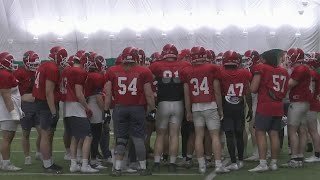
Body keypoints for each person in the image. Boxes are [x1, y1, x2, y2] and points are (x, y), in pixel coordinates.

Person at [104, 47, 156, 176]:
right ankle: (143, 168)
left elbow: (108, 93)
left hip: (120, 107)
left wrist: (106, 110)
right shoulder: (144, 71)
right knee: (138, 138)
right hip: (137, 108)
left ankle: (117, 168)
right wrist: (153, 109)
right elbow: (149, 94)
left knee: (120, 139)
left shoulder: (112, 70)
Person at [181, 46, 229, 174]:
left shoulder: (186, 71)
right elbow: (217, 91)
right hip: (211, 105)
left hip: (196, 107)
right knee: (214, 136)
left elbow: (186, 94)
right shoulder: (212, 68)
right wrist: (220, 108)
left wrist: (188, 111)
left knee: (199, 135)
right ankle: (218, 165)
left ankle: (202, 165)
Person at [150, 44, 191, 172]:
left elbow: (149, 80)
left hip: (163, 104)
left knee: (161, 135)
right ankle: (172, 163)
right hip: (178, 103)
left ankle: (157, 162)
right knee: (174, 135)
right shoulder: (184, 65)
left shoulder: (156, 65)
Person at [249, 49, 289, 172]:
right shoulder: (284, 71)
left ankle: (262, 163)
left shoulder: (262, 68)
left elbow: (253, 88)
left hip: (265, 105)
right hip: (278, 106)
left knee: (260, 133)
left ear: (266, 59)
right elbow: (285, 91)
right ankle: (274, 163)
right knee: (274, 134)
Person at [60, 51, 98, 173]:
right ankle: (85, 165)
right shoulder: (79, 72)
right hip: (76, 106)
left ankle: (73, 164)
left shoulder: (66, 70)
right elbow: (79, 94)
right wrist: (87, 107)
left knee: (75, 137)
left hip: (66, 106)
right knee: (88, 136)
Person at [32, 46, 67, 173]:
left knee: (47, 134)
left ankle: (48, 161)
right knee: (46, 134)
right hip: (46, 104)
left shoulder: (44, 65)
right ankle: (47, 165)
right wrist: (53, 111)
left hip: (42, 102)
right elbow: (48, 92)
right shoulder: (52, 68)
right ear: (59, 56)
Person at [219, 50, 252, 171]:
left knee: (229, 135)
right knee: (239, 133)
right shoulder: (244, 73)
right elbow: (247, 92)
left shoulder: (220, 73)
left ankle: (233, 161)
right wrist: (250, 107)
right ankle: (241, 160)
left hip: (226, 105)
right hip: (239, 105)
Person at [281, 48, 312, 168]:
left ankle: (294, 158)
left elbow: (290, 84)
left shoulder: (299, 69)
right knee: (303, 130)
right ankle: (300, 156)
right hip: (304, 102)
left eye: (290, 56)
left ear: (295, 56)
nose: (288, 58)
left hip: (297, 102)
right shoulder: (305, 68)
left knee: (292, 131)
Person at [14, 51, 42, 165]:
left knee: (43, 132)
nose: (36, 66)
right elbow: (14, 91)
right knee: (26, 132)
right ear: (26, 62)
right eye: (34, 64)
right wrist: (21, 98)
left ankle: (39, 151)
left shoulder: (39, 72)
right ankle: (27, 157)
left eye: (37, 64)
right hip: (25, 106)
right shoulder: (19, 72)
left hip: (38, 105)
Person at [84, 52, 107, 169]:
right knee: (95, 135)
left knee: (90, 135)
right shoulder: (97, 77)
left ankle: (88, 159)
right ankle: (92, 161)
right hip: (94, 105)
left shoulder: (88, 74)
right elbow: (98, 97)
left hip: (87, 104)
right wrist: (105, 110)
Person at [0, 52, 22, 171]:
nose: (13, 64)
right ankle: (6, 164)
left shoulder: (6, 73)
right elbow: (6, 96)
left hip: (7, 110)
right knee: (7, 138)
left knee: (8, 137)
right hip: (6, 111)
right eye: (11, 61)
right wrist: (13, 113)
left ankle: (3, 161)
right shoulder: (4, 74)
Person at [242, 50, 261, 161]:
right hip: (260, 99)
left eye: (247, 59)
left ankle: (257, 152)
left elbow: (250, 90)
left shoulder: (256, 69)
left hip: (257, 98)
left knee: (253, 127)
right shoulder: (258, 68)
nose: (245, 62)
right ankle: (260, 151)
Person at [303, 52, 320, 163]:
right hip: (314, 102)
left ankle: (317, 155)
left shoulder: (312, 73)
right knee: (312, 130)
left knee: (313, 130)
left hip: (311, 103)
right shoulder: (314, 72)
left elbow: (311, 90)